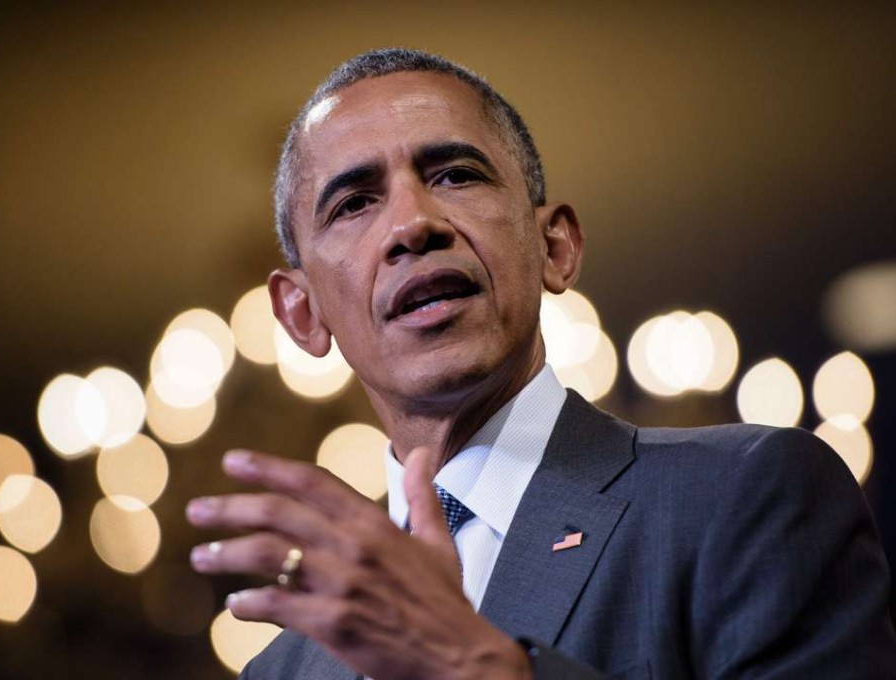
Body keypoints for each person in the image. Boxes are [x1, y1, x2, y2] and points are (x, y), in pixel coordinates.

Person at [185, 48, 896, 678]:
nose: (411, 225)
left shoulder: (748, 496)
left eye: (457, 175)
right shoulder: (285, 667)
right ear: (302, 315)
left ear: (556, 248)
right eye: (354, 203)